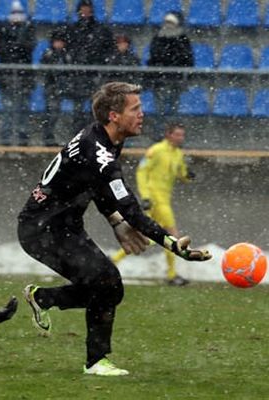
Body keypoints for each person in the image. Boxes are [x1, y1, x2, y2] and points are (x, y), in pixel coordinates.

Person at [17, 82, 211, 376]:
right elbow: (131, 207)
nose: (142, 115)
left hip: (63, 226)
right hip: (41, 230)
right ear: (114, 115)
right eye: (135, 109)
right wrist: (171, 244)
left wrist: (114, 221)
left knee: (110, 287)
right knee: (106, 282)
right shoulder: (100, 153)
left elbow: (95, 187)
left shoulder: (104, 139)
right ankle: (95, 361)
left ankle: (44, 299)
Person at [111, 123, 195, 286]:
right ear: (168, 135)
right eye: (177, 135)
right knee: (172, 235)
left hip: (165, 199)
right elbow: (142, 172)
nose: (180, 138)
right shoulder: (156, 150)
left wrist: (188, 175)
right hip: (155, 200)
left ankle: (113, 260)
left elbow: (180, 173)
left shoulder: (178, 153)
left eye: (182, 135)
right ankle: (171, 275)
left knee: (147, 237)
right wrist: (146, 196)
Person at [64, 0, 114, 131]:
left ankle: (94, 132)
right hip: (78, 75)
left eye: (87, 9)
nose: (85, 12)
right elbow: (68, 50)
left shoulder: (101, 30)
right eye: (82, 9)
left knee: (96, 106)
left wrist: (98, 63)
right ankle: (78, 133)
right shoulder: (72, 30)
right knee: (78, 107)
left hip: (94, 74)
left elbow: (108, 50)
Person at [0, 0, 36, 146]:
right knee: (8, 110)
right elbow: (0, 50)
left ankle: (22, 140)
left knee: (23, 109)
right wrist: (17, 46)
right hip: (8, 77)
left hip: (24, 77)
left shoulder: (28, 29)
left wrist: (15, 45)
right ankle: (6, 141)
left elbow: (29, 48)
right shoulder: (3, 28)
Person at [147, 11, 193, 119]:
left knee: (173, 109)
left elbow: (186, 58)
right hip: (159, 80)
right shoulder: (158, 37)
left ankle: (170, 131)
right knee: (159, 111)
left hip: (175, 80)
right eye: (167, 22)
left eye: (171, 22)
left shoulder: (182, 39)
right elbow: (154, 56)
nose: (168, 25)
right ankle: (161, 133)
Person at [40, 27, 73, 147]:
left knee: (58, 113)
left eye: (61, 41)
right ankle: (48, 137)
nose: (59, 44)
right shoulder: (48, 54)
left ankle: (57, 137)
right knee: (51, 113)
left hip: (64, 88)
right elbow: (45, 69)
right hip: (52, 87)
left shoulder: (67, 55)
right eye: (57, 41)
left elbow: (70, 71)